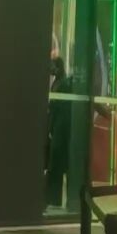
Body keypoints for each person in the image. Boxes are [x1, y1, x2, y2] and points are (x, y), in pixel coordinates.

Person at [45, 54, 72, 210]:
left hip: (60, 129)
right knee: (56, 164)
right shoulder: (58, 83)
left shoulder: (63, 84)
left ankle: (55, 199)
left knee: (56, 164)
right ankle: (54, 200)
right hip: (56, 128)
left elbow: (58, 107)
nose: (51, 69)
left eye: (53, 66)